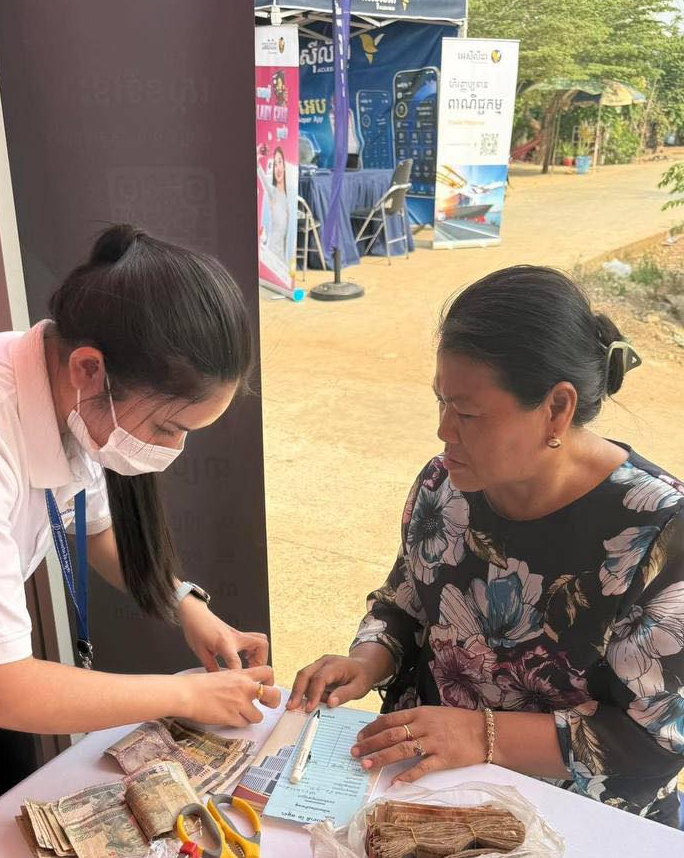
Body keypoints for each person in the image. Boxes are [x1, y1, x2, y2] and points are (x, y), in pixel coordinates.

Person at [291, 266, 684, 825]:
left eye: (467, 412)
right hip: (424, 783)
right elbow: (406, 602)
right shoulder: (447, 484)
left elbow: (657, 739)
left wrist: (482, 734)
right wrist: (366, 661)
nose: (443, 430)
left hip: (569, 817)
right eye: (441, 402)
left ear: (556, 409)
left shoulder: (659, 534)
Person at [0, 224, 279, 818]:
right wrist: (187, 694)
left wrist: (186, 606)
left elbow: (96, 529)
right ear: (90, 369)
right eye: (167, 428)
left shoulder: (66, 387)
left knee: (5, 802)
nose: (172, 451)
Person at [257, 144, 293, 268]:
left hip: (284, 260)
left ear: (284, 166)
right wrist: (258, 156)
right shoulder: (273, 192)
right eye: (275, 164)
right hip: (272, 256)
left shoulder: (290, 195)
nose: (277, 168)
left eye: (280, 162)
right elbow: (260, 172)